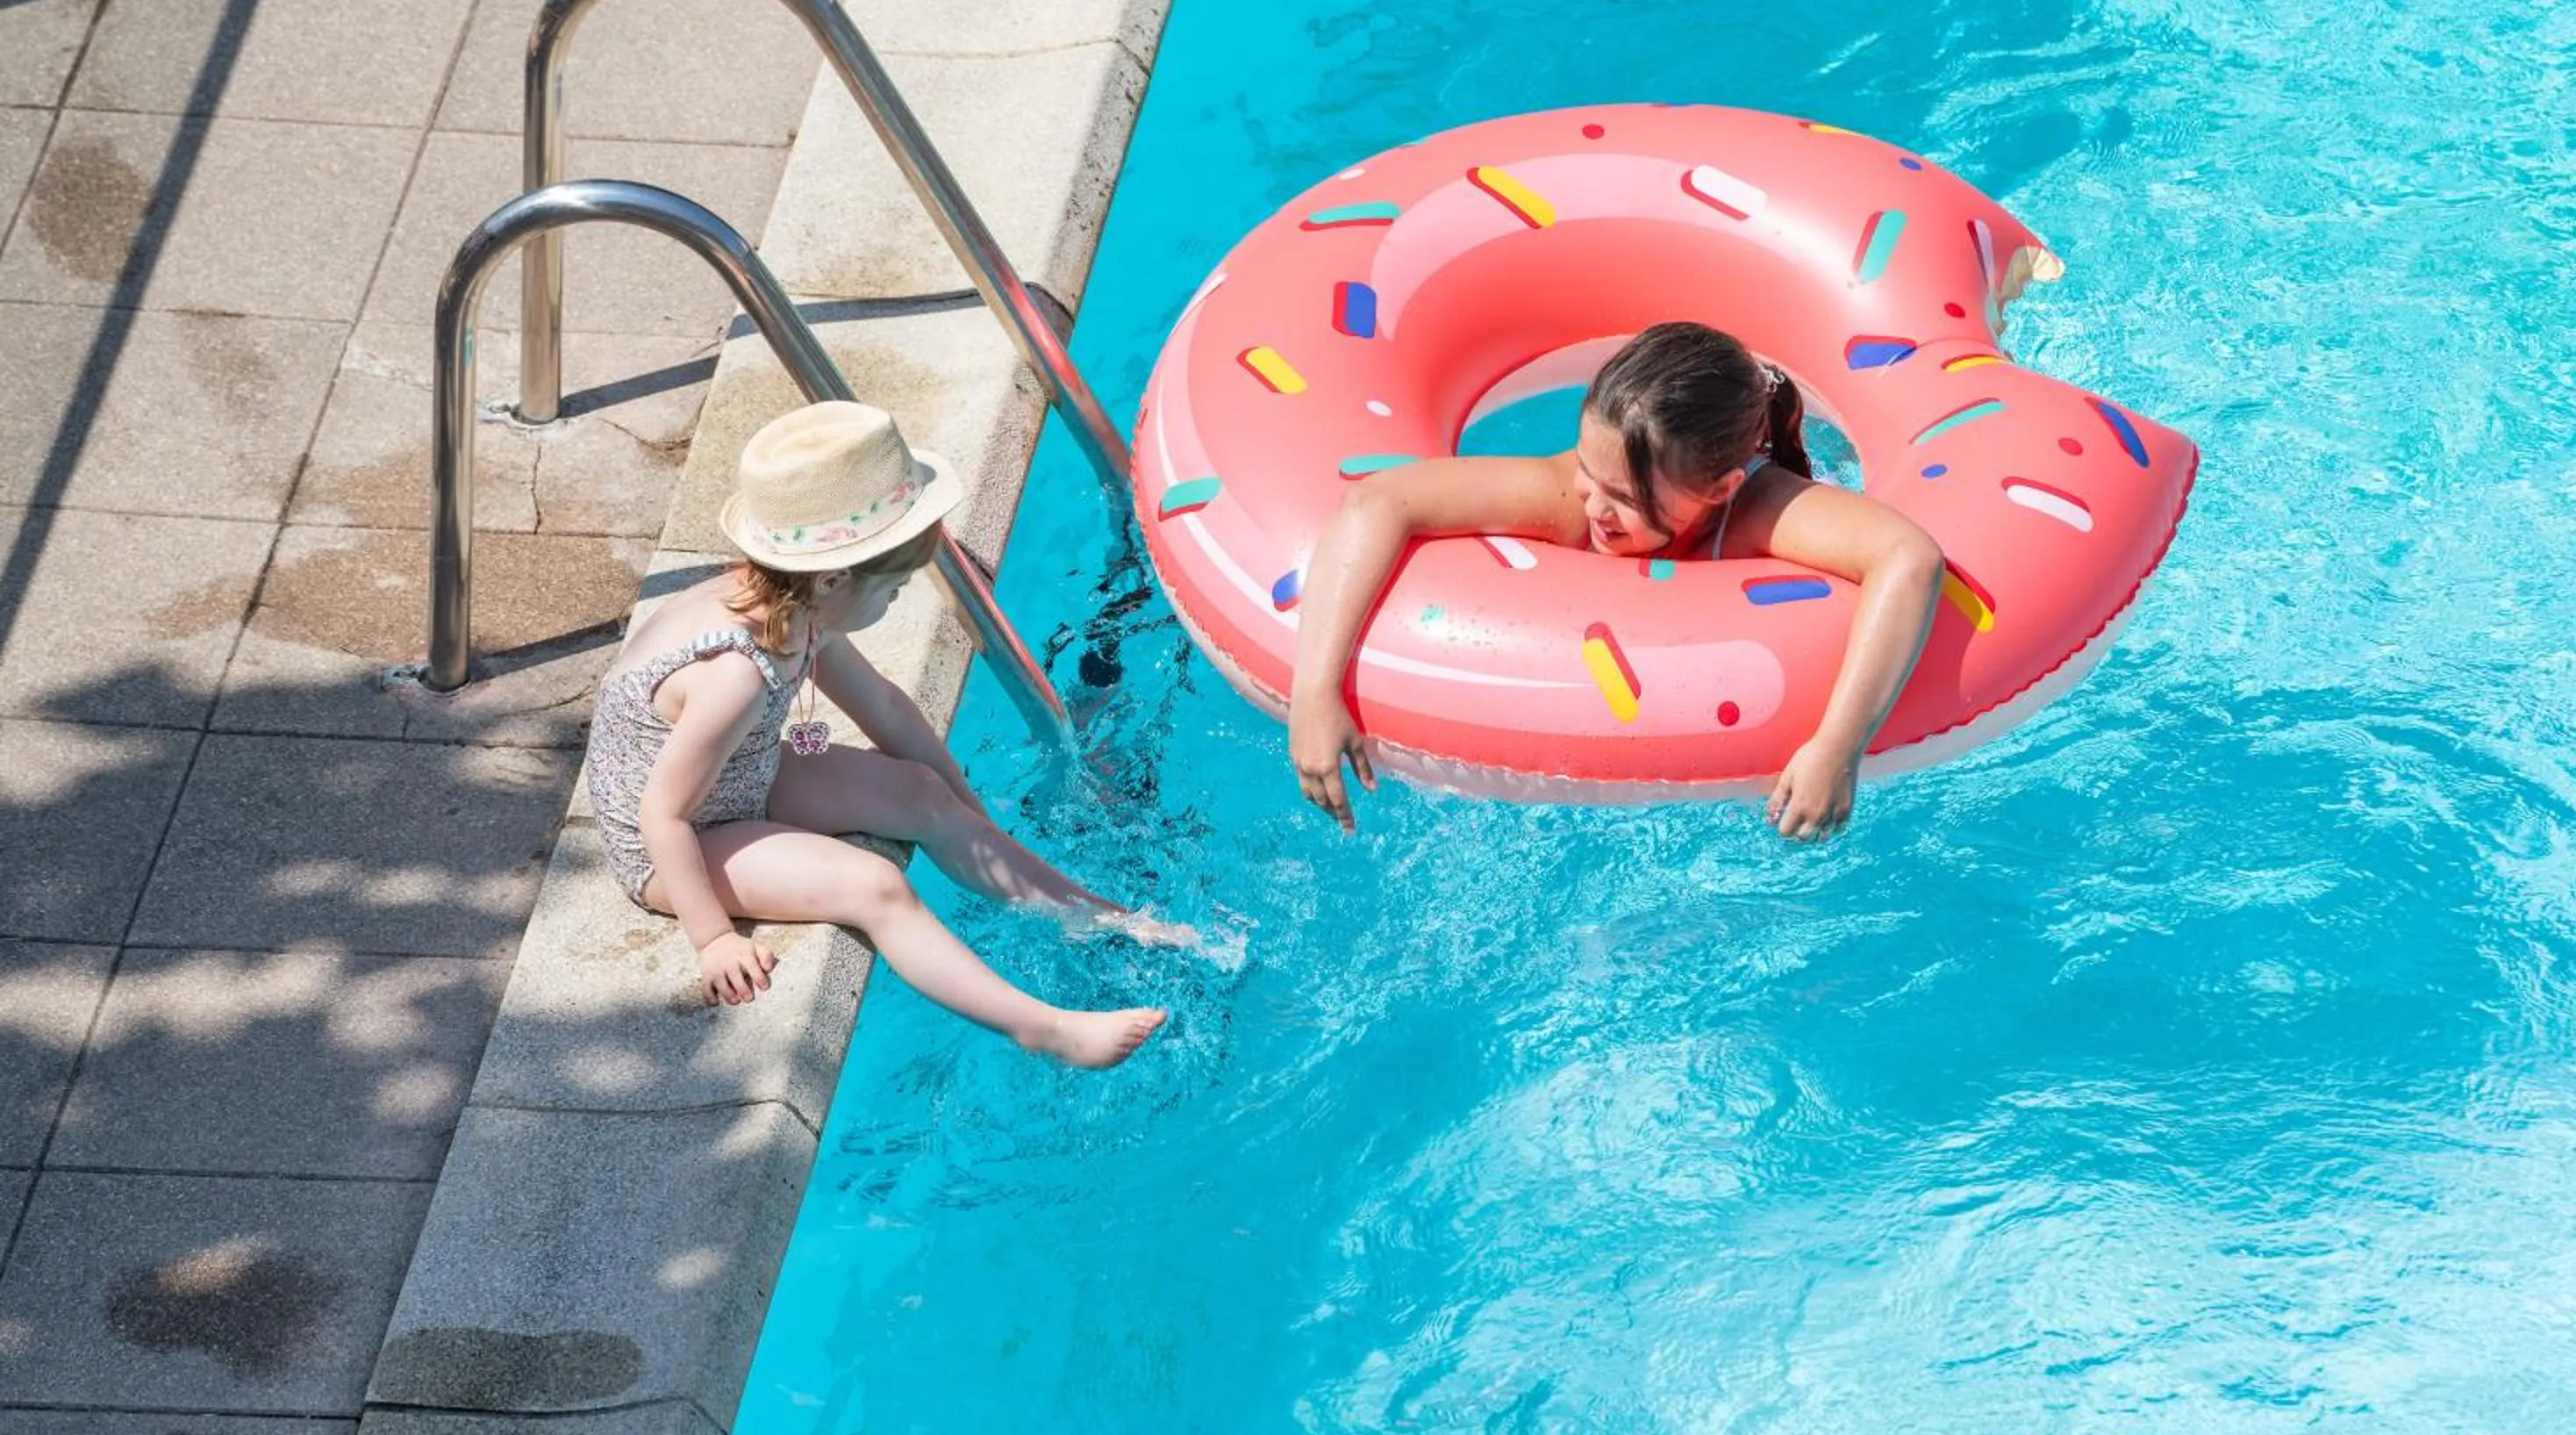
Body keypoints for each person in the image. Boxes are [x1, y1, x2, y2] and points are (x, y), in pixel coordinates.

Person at [585, 400, 1183, 1068]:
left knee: (919, 791)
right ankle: (1046, 1030)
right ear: (836, 576)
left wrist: (968, 816)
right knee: (873, 885)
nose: (897, 600)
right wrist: (713, 939)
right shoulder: (736, 675)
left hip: (742, 775)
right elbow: (661, 815)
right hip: (676, 845)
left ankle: (1092, 917)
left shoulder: (797, 606)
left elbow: (887, 710)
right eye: (894, 586)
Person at [1287, 321, 1945, 839]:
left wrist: (1838, 745)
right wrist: (1315, 694)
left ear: (1719, 490)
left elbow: (1908, 557)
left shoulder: (1756, 510)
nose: (1594, 509)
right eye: (1587, 472)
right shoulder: (1567, 497)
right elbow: (1377, 503)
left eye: (1624, 498)